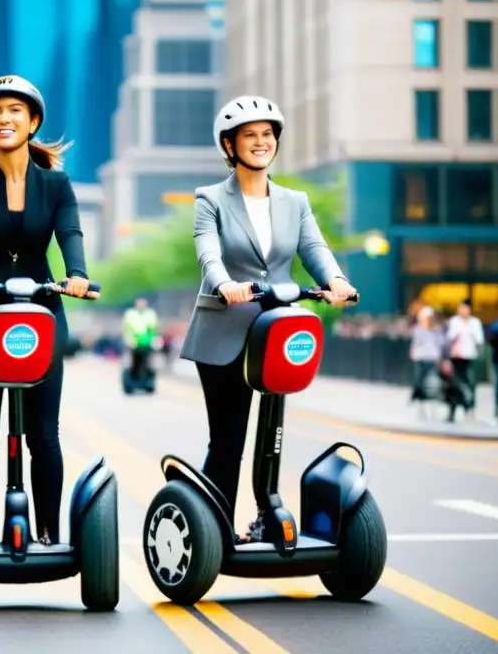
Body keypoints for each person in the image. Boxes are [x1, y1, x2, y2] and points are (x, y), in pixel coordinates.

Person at [179, 95, 357, 544]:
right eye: (249, 136)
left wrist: (335, 280)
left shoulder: (294, 201)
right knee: (229, 439)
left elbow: (314, 249)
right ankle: (214, 526)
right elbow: (208, 251)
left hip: (276, 331)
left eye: (267, 135)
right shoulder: (210, 198)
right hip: (224, 328)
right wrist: (223, 284)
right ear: (229, 145)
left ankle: (264, 513)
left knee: (272, 432)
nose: (261, 143)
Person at [0, 74, 98, 550]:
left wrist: (77, 273)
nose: (3, 119)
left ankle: (49, 530)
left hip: (41, 317)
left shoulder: (56, 185)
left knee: (44, 434)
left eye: (14, 111)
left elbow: (70, 233)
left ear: (32, 122)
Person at [444, 299, 484, 422]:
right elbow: (447, 339)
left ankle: (469, 410)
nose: (463, 311)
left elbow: (480, 340)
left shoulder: (475, 323)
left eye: (466, 308)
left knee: (470, 385)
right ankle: (452, 411)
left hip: (469, 358)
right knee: (453, 385)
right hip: (455, 357)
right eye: (461, 308)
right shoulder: (453, 322)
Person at [123, 297, 159, 381]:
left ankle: (148, 376)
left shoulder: (150, 314)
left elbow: (154, 328)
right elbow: (126, 328)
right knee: (134, 361)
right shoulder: (130, 314)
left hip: (147, 341)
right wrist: (129, 339)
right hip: (134, 341)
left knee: (149, 361)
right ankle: (133, 376)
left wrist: (155, 339)